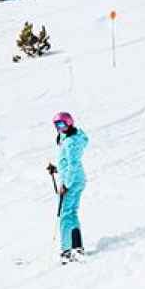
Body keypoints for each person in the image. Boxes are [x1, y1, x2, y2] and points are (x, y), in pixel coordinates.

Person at [49, 111, 88, 262]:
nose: (59, 128)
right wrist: (57, 169)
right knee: (71, 213)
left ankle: (67, 250)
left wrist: (65, 184)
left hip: (72, 181)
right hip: (75, 179)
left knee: (66, 214)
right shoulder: (68, 139)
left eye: (62, 124)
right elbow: (68, 164)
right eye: (56, 125)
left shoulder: (71, 142)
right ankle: (76, 246)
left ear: (69, 123)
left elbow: (73, 164)